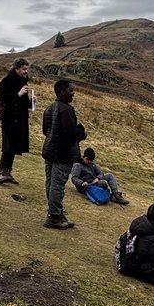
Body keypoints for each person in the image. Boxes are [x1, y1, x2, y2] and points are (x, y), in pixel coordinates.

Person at [41, 78, 86, 229]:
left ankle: (55, 213)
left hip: (50, 150)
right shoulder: (66, 109)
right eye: (71, 90)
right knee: (58, 185)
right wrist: (81, 132)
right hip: (63, 153)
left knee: (51, 183)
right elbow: (70, 133)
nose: (73, 94)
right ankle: (54, 217)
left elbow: (45, 130)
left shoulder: (49, 108)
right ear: (62, 92)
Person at [0, 58, 31, 185]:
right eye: (24, 69)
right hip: (9, 117)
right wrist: (18, 94)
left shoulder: (23, 82)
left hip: (20, 118)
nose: (26, 72)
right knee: (8, 144)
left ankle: (8, 172)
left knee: (15, 144)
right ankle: (2, 172)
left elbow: (23, 102)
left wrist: (31, 103)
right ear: (17, 68)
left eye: (27, 69)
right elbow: (3, 98)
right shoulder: (6, 81)